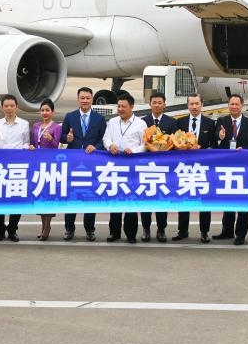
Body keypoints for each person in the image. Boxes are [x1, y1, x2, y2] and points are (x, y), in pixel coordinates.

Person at [59, 86, 106, 241]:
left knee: (89, 196)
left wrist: (96, 147)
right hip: (74, 163)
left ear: (92, 99)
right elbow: (62, 137)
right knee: (72, 196)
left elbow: (103, 140)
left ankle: (90, 229)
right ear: (78, 99)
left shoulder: (99, 119)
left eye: (87, 98)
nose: (85, 101)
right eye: (82, 98)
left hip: (92, 163)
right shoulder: (70, 116)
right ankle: (69, 228)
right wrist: (68, 139)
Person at [212, 94, 248, 245]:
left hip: (243, 168)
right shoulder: (222, 121)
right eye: (231, 104)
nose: (234, 107)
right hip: (226, 167)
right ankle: (227, 231)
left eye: (236, 104)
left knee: (242, 203)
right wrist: (219, 136)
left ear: (242, 105)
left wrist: (243, 148)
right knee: (228, 201)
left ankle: (240, 234)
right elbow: (215, 140)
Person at [103, 93, 147, 244]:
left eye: (123, 106)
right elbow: (106, 138)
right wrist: (110, 146)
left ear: (132, 107)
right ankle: (114, 232)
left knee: (131, 200)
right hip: (115, 166)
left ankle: (131, 234)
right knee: (115, 199)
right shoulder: (112, 122)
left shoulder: (141, 124)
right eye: (119, 106)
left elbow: (145, 144)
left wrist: (134, 151)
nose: (120, 109)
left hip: (132, 166)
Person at [173, 93, 216, 243]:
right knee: (184, 199)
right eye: (191, 104)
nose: (194, 107)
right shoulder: (180, 122)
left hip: (202, 168)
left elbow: (214, 146)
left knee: (204, 201)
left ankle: (204, 231)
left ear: (202, 105)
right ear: (187, 105)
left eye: (197, 104)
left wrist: (202, 148)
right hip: (184, 168)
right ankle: (182, 230)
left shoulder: (210, 123)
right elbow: (173, 144)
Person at [0, 94, 30, 242]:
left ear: (16, 107)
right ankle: (0, 230)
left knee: (16, 198)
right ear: (2, 107)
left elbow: (26, 142)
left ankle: (12, 230)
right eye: (6, 106)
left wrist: (24, 148)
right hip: (0, 165)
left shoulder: (24, 124)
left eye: (12, 106)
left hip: (17, 165)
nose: (9, 108)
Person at [140, 91, 177, 242]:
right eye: (154, 102)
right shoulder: (143, 121)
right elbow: (140, 143)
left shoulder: (172, 122)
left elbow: (175, 144)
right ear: (150, 104)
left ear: (164, 105)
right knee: (146, 200)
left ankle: (161, 229)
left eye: (159, 103)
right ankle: (146, 229)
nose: (157, 105)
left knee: (162, 199)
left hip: (164, 167)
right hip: (146, 166)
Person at [30, 98, 62, 241]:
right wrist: (31, 147)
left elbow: (56, 146)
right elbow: (32, 143)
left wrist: (50, 139)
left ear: (52, 112)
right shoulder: (36, 126)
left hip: (50, 163)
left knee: (49, 195)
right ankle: (43, 225)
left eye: (47, 110)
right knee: (40, 193)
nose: (44, 113)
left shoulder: (56, 127)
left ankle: (47, 225)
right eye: (42, 110)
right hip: (38, 163)